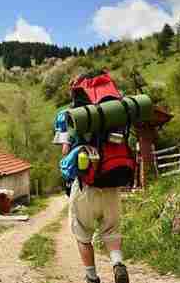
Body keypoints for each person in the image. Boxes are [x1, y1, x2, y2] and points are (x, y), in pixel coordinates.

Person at [54, 109, 130, 283]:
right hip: (111, 184)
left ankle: (92, 276)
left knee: (82, 234)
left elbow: (65, 151)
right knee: (112, 231)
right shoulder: (114, 112)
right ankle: (118, 264)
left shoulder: (69, 115)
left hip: (85, 186)